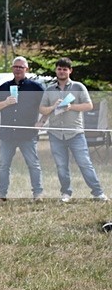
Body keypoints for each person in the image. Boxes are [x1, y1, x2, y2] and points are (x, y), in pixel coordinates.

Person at [38, 57, 108, 203]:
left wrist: (71, 107)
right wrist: (52, 108)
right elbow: (42, 109)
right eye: (59, 69)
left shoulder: (78, 87)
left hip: (75, 133)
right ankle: (66, 193)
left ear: (70, 71)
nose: (61, 71)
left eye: (65, 69)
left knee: (84, 163)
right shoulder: (50, 90)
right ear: (56, 70)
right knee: (61, 165)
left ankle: (98, 193)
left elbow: (88, 105)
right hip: (56, 134)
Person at [0, 56, 45, 200]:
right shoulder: (4, 87)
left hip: (27, 135)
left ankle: (38, 193)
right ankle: (1, 194)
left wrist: (41, 122)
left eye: (21, 67)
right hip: (7, 135)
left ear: (26, 69)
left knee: (33, 165)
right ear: (12, 69)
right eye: (15, 67)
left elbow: (46, 107)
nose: (18, 69)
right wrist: (5, 103)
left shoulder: (36, 88)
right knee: (3, 166)